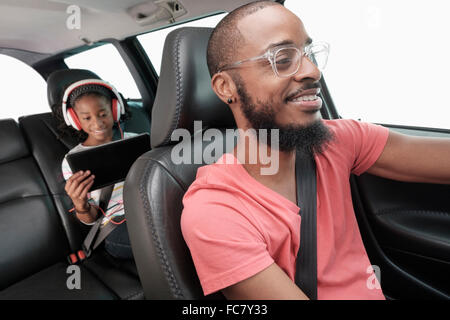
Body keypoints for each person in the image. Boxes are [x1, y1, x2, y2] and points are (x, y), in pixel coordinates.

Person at [180, 1, 450, 300]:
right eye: (282, 58)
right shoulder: (215, 212)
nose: (312, 71)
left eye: (309, 54)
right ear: (225, 87)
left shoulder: (338, 140)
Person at [56, 79, 136, 259]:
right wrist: (79, 203)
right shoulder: (72, 161)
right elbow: (91, 219)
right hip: (116, 227)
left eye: (103, 114)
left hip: (150, 208)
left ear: (115, 110)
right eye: (87, 118)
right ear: (75, 120)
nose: (98, 123)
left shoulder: (135, 140)